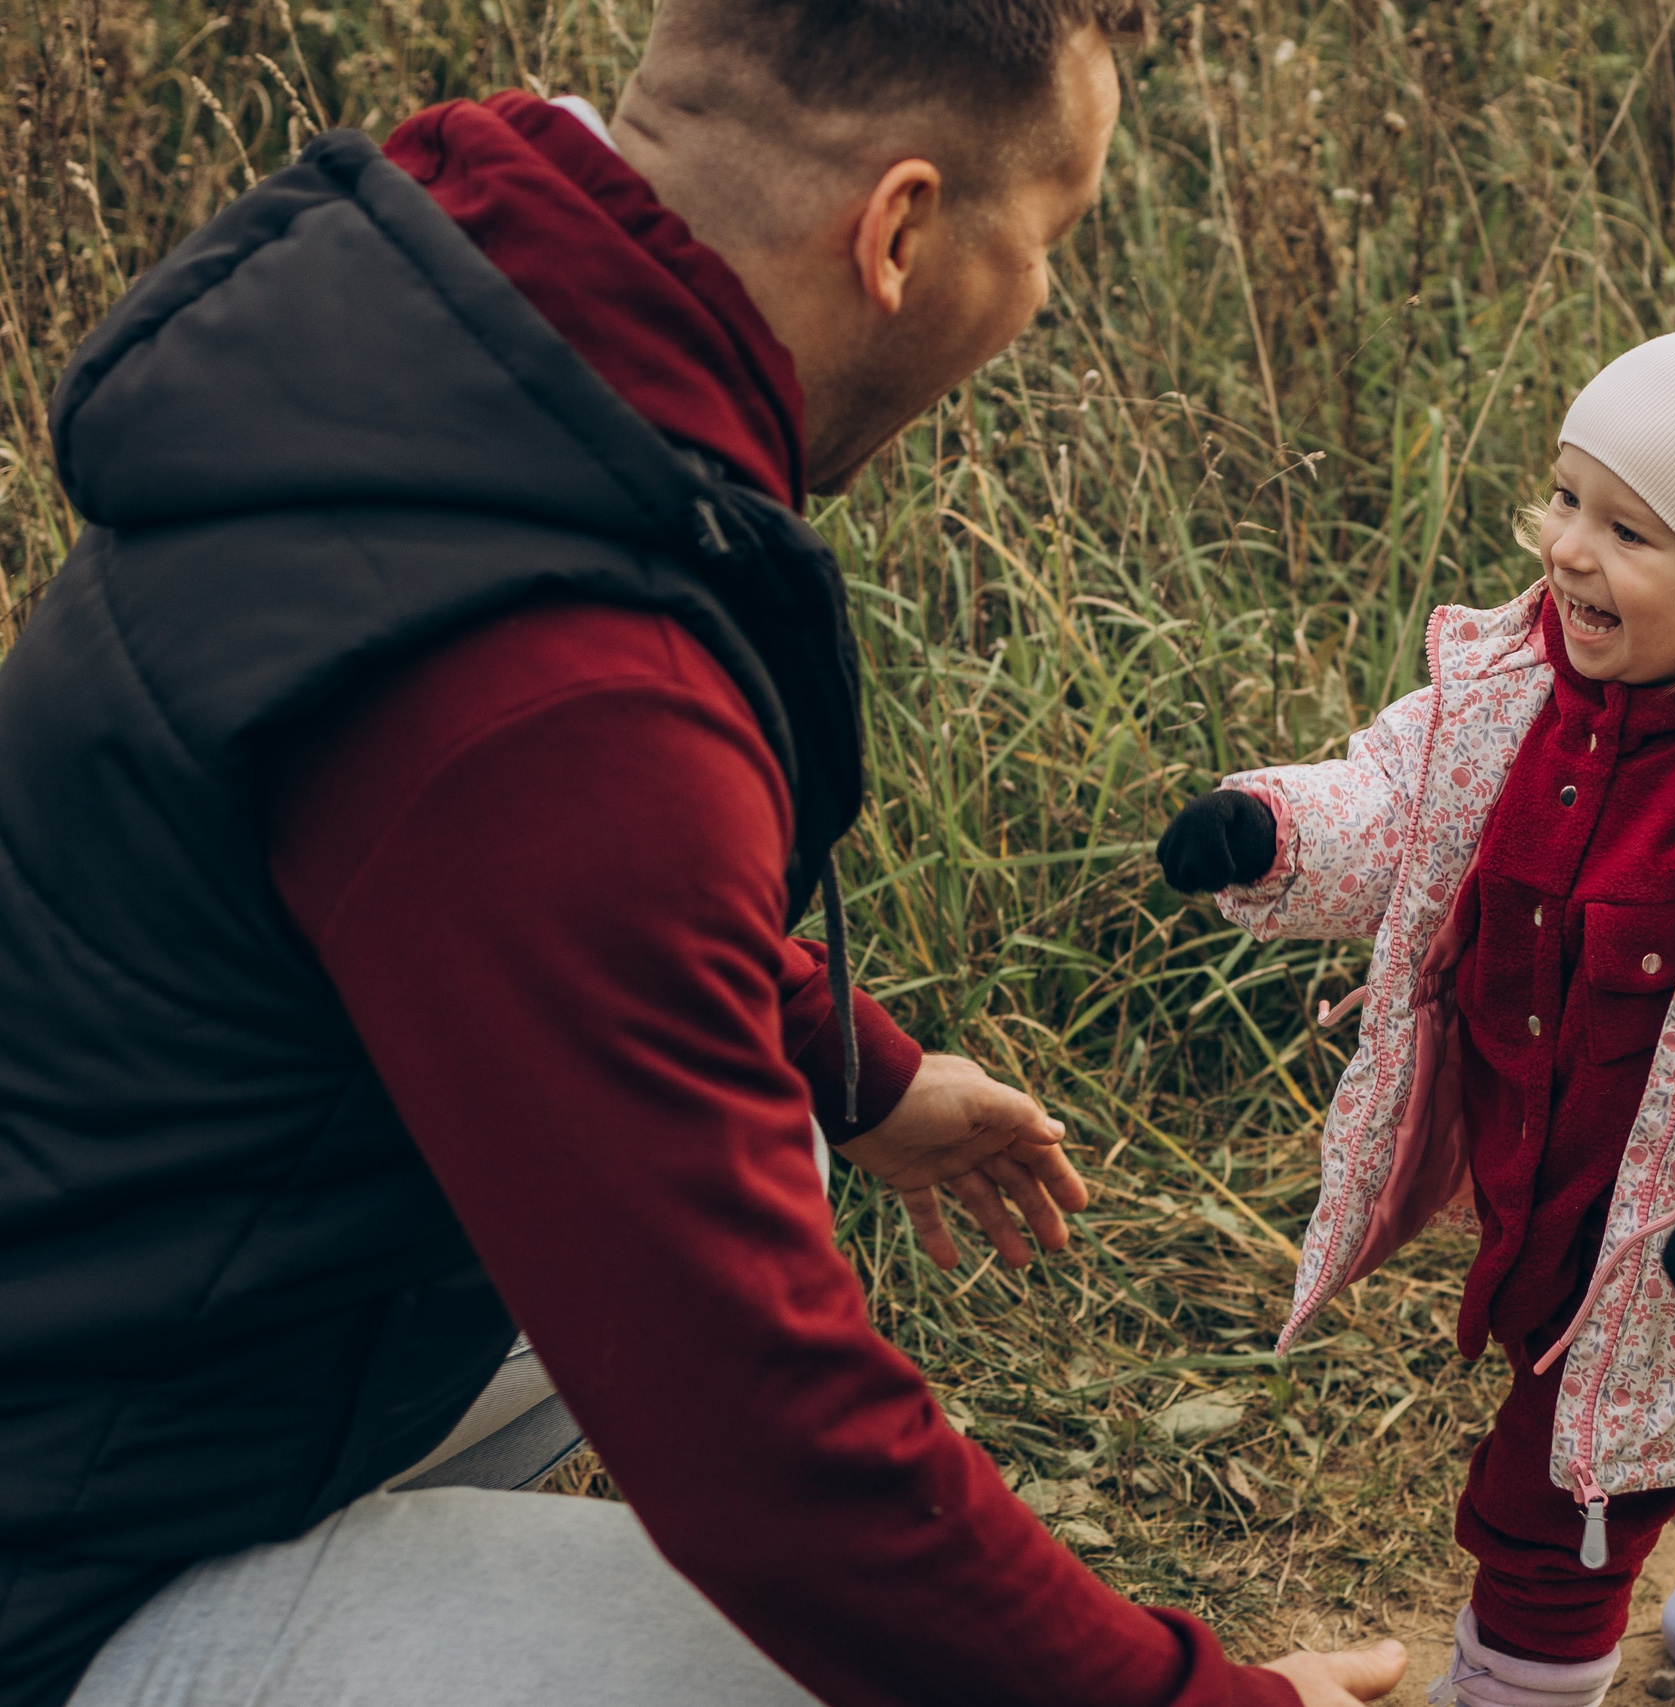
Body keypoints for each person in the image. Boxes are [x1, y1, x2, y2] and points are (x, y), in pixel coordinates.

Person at [0, 1, 1405, 1704]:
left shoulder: (435, 381)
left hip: (122, 1325)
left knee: (788, 1150)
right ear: (897, 230)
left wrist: (862, 1072)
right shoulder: (561, 686)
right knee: (806, 1658)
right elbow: (772, 1447)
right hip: (64, 1560)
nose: (1039, 303)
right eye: (1047, 242)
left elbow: (515, 900)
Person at [1153, 277, 1675, 1704]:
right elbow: (1405, 801)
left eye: (1627, 529)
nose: (1567, 552)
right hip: (1538, 1172)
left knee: (1560, 1509)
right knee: (1662, 1430)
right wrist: (1279, 830)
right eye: (1565, 499)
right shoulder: (1518, 685)